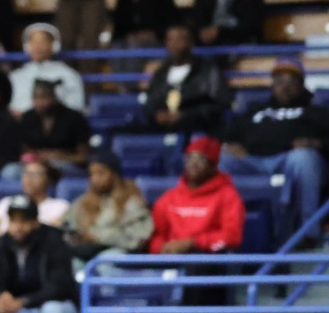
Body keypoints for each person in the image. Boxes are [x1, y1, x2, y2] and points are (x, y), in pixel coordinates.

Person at [225, 57, 329, 232]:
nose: (285, 86)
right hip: (253, 160)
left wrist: (315, 143)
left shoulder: (316, 111)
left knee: (303, 158)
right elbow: (228, 134)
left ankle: (308, 231)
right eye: (279, 81)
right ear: (272, 85)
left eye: (292, 82)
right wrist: (231, 144)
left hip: (290, 161)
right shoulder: (255, 110)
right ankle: (227, 229)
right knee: (223, 159)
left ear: (301, 85)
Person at [0, 202, 79, 313]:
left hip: (48, 305)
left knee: (52, 310)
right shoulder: (0, 244)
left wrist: (24, 301)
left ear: (35, 223)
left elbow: (59, 287)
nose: (18, 227)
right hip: (14, 307)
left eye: (24, 221)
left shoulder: (54, 241)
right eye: (13, 221)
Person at [148, 136, 244, 254]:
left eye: (201, 159)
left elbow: (232, 237)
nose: (193, 164)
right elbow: (156, 235)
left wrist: (193, 243)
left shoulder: (227, 195)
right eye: (190, 158)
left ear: (212, 167)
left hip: (207, 258)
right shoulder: (170, 197)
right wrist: (162, 248)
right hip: (171, 257)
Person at [137, 25, 231, 136]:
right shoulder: (161, 72)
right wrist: (157, 114)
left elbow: (219, 104)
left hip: (198, 130)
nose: (174, 45)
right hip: (162, 129)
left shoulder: (208, 70)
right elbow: (150, 101)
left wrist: (185, 116)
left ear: (190, 43)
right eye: (170, 40)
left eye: (179, 40)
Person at [66, 151, 154, 260]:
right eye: (91, 174)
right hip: (85, 252)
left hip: (117, 253)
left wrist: (98, 237)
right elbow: (66, 228)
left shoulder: (131, 203)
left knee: (107, 259)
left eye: (100, 173)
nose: (94, 179)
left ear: (114, 174)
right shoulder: (82, 202)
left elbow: (137, 240)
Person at [16, 79, 91, 174]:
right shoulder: (27, 117)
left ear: (54, 98)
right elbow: (22, 149)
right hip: (34, 163)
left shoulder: (74, 118)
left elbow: (83, 156)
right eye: (36, 98)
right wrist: (37, 156)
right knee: (12, 171)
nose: (39, 103)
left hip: (65, 163)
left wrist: (59, 156)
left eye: (44, 98)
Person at [8, 24, 86, 114]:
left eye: (43, 42)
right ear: (27, 46)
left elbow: (76, 107)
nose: (37, 46)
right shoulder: (16, 76)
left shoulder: (69, 75)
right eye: (33, 42)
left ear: (54, 45)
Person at [0, 161, 69, 235]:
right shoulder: (6, 202)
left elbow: (50, 235)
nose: (29, 179)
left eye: (35, 175)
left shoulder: (60, 206)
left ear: (49, 180)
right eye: (26, 173)